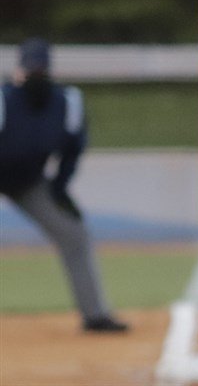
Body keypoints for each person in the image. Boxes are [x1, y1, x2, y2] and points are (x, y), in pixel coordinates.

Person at [0, 39, 128, 332]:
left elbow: (73, 149)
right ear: (19, 71)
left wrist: (59, 188)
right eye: (31, 69)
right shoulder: (4, 100)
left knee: (74, 234)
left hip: (27, 182)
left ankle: (95, 315)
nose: (36, 74)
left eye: (40, 68)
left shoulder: (65, 103)